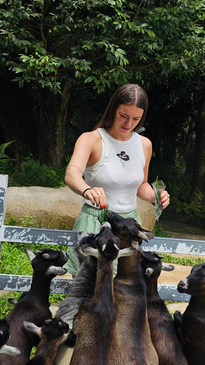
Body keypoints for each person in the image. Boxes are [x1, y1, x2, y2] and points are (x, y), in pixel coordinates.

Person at [63, 83, 170, 273]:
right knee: (89, 287)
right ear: (113, 110)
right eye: (123, 116)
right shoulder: (91, 139)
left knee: (126, 287)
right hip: (96, 221)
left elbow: (141, 186)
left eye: (136, 119)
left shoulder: (144, 144)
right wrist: (87, 190)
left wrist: (156, 196)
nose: (128, 124)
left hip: (129, 226)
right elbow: (72, 173)